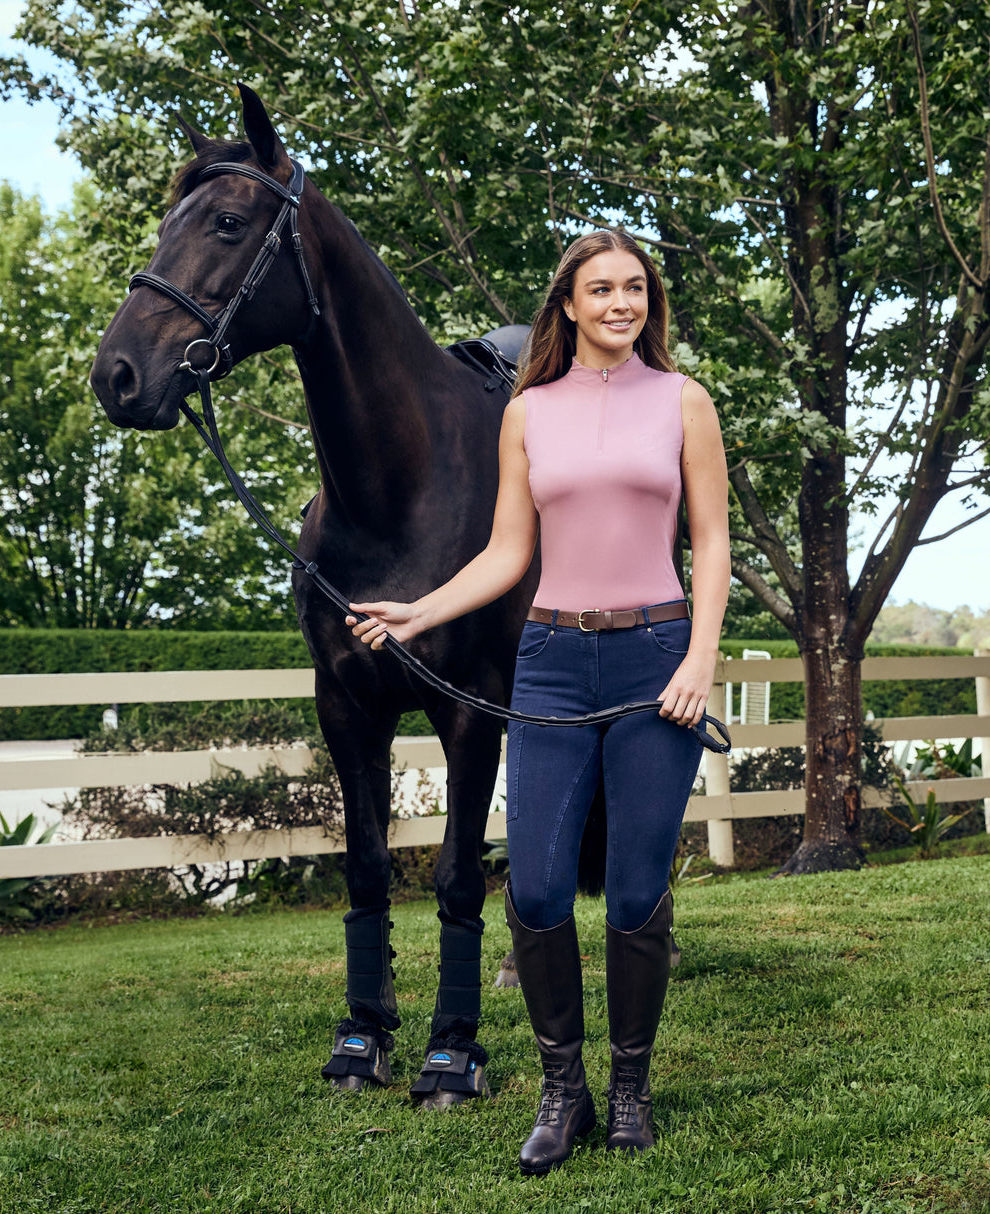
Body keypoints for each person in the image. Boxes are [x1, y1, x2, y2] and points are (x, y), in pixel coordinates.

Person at [345, 229, 730, 1174]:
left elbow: (713, 544)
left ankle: (631, 1090)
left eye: (634, 288)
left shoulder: (684, 402)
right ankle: (566, 1093)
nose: (619, 304)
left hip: (655, 658)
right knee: (542, 888)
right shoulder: (531, 413)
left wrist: (698, 664)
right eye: (599, 290)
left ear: (651, 302)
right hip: (552, 659)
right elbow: (509, 552)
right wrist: (417, 611)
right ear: (567, 304)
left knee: (637, 892)